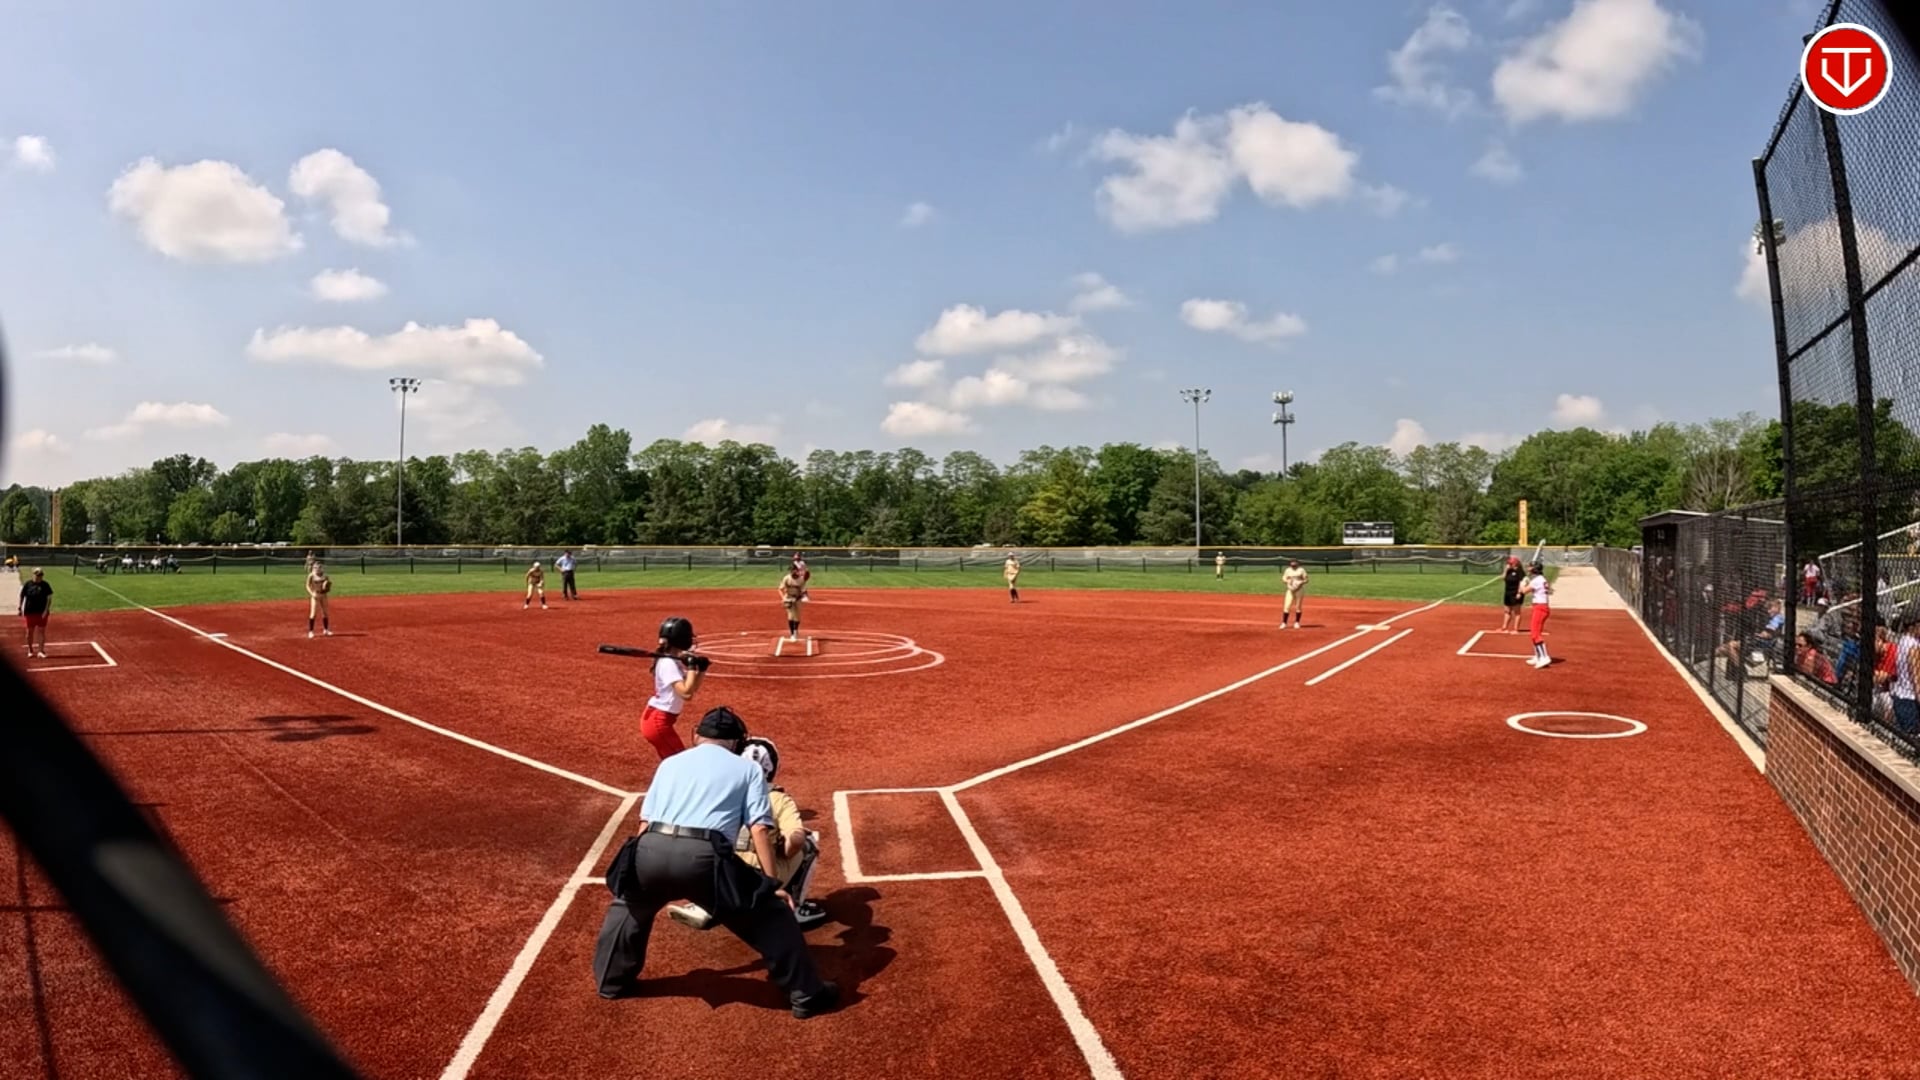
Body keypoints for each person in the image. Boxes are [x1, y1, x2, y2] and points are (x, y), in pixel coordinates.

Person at [598, 707, 839, 1016]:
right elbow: (759, 828)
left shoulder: (669, 763)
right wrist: (770, 884)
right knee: (771, 914)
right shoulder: (748, 769)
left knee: (629, 905)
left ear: (696, 735)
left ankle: (611, 982)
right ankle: (807, 995)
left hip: (650, 849)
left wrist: (635, 870)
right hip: (704, 858)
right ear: (738, 743)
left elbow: (645, 823)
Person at [668, 736, 827, 932]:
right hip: (758, 875)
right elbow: (795, 841)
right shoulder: (778, 799)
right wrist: (787, 845)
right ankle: (793, 908)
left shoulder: (720, 792)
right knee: (808, 843)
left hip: (720, 871)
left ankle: (705, 903)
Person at [641, 616, 708, 759]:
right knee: (681, 762)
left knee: (672, 762)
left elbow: (690, 691)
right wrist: (691, 666)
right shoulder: (668, 663)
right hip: (658, 721)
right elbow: (685, 693)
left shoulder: (673, 661)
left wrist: (701, 670)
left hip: (660, 720)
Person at [1524, 561, 1553, 668]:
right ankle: (1538, 656)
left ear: (1534, 569)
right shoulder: (1540, 579)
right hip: (1540, 607)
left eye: (1530, 567)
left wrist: (1523, 583)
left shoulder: (1536, 580)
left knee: (1535, 633)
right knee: (1534, 632)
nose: (1528, 569)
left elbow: (1523, 591)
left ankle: (1544, 657)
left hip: (1540, 608)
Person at [19, 568, 52, 658]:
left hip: (41, 612)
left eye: (40, 575)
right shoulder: (28, 584)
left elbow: (49, 598)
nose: (39, 577)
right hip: (30, 612)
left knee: (41, 631)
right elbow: (22, 596)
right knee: (29, 632)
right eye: (37, 575)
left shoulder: (45, 585)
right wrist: (20, 607)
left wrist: (46, 610)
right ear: (33, 575)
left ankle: (41, 651)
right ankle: (30, 650)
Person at [1499, 556, 1526, 633]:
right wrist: (1506, 570)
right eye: (1508, 563)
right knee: (1507, 611)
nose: (1508, 564)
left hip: (1516, 593)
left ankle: (1515, 629)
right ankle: (1504, 627)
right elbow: (1503, 578)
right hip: (1508, 593)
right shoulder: (1509, 570)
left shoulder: (1520, 571)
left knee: (1516, 612)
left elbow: (1522, 583)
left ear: (1515, 563)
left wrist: (1519, 593)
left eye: (1510, 563)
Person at [306, 560, 332, 639]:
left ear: (321, 568)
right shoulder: (311, 575)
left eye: (319, 567)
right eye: (315, 567)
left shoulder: (325, 575)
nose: (317, 569)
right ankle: (311, 631)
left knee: (325, 613)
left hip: (323, 595)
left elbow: (328, 585)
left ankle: (326, 630)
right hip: (315, 595)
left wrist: (327, 588)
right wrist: (312, 593)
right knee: (313, 613)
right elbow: (307, 585)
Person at [777, 567, 805, 642]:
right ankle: (793, 633)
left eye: (796, 572)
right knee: (791, 615)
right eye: (793, 572)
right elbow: (780, 589)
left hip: (797, 599)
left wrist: (797, 598)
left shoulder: (801, 580)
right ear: (791, 572)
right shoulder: (786, 578)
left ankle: (796, 630)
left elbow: (803, 592)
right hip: (788, 598)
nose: (794, 573)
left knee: (797, 617)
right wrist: (783, 598)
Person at [1281, 559, 1308, 629]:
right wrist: (1287, 581)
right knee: (1287, 606)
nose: (1293, 565)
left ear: (1297, 564)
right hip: (1290, 590)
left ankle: (1297, 622)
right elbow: (1284, 578)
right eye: (1292, 564)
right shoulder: (1287, 570)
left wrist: (1301, 582)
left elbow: (1306, 579)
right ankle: (1284, 623)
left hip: (1299, 590)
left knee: (1298, 607)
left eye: (1294, 564)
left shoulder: (1301, 570)